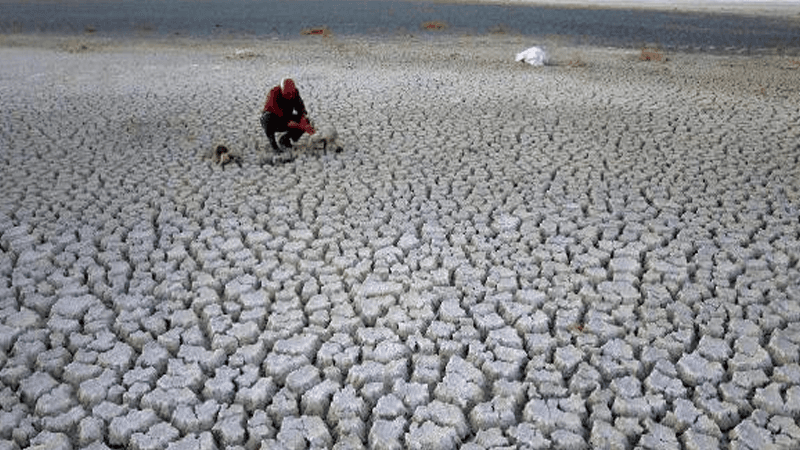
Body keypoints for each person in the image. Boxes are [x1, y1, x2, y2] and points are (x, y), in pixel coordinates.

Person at [260, 78, 315, 152]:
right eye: (288, 93)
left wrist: (303, 121)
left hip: (287, 116)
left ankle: (285, 140)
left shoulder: (295, 92)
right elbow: (281, 117)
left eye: (292, 93)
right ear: (281, 89)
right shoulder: (273, 93)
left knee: (306, 121)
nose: (290, 96)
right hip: (274, 119)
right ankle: (274, 146)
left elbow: (301, 108)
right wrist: (301, 126)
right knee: (267, 118)